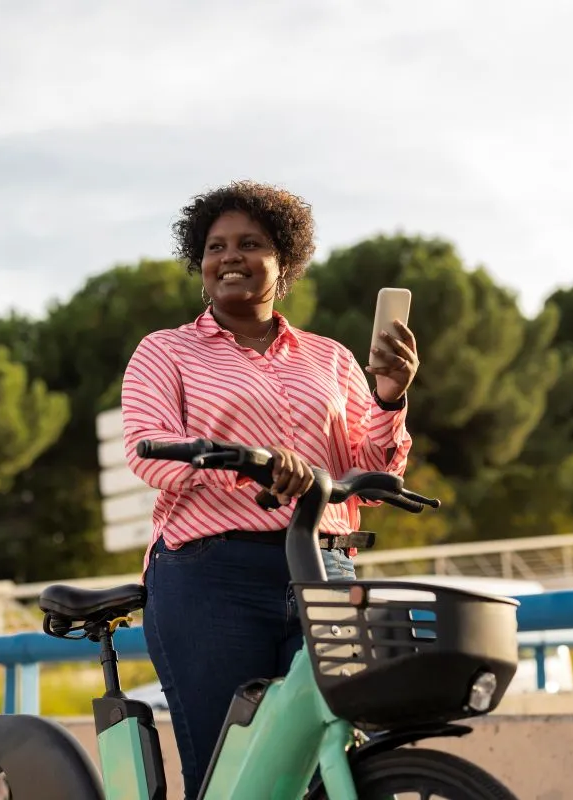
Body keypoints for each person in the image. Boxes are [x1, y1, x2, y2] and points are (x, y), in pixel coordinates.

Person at [119, 180, 419, 798]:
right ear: (199, 265)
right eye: (215, 246)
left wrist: (389, 394)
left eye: (250, 244)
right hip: (211, 575)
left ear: (284, 263)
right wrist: (249, 465)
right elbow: (146, 448)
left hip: (324, 567)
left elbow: (368, 463)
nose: (229, 256)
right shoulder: (164, 352)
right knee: (233, 773)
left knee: (334, 757)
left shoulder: (330, 358)